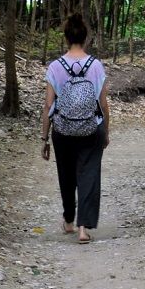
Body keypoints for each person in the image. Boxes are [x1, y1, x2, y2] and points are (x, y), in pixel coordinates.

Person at [40, 14, 109, 244]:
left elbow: (49, 105)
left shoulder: (55, 67)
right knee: (89, 174)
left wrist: (44, 138)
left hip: (63, 130)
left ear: (66, 37)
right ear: (86, 38)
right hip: (92, 128)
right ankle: (83, 228)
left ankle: (69, 220)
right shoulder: (96, 66)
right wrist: (106, 131)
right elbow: (103, 104)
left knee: (66, 174)